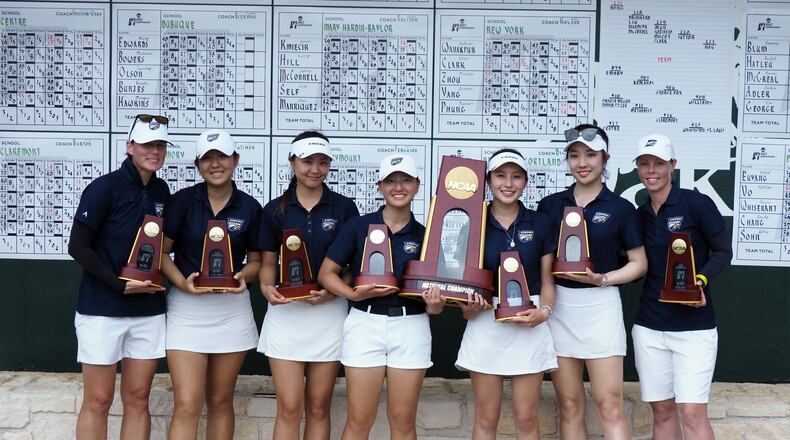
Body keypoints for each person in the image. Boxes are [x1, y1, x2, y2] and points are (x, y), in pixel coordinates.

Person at [317, 154, 444, 440]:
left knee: (402, 421)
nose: (398, 187)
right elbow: (327, 273)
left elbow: (435, 304)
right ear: (380, 186)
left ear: (417, 185)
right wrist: (353, 294)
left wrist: (435, 305)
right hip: (365, 323)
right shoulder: (358, 227)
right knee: (359, 420)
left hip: (411, 326)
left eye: (405, 180)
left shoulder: (427, 236)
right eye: (390, 181)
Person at [537, 124, 647, 440]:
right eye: (574, 156)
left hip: (601, 306)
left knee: (609, 404)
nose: (582, 163)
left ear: (605, 158)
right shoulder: (550, 205)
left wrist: (602, 279)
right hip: (559, 308)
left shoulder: (621, 208)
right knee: (569, 405)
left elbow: (639, 264)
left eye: (590, 155)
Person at [69, 114, 172, 440]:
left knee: (138, 399)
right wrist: (117, 284)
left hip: (148, 311)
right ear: (130, 146)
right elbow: (78, 247)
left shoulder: (162, 190)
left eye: (160, 145)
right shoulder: (103, 188)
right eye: (146, 144)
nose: (154, 151)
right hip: (101, 308)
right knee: (98, 399)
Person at [160, 129, 262, 440]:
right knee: (188, 403)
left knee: (220, 400)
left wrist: (241, 277)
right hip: (186, 310)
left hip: (231, 311)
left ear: (235, 159)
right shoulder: (181, 202)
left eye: (222, 156)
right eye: (207, 158)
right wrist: (182, 282)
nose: (215, 164)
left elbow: (257, 262)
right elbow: (161, 254)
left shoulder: (250, 207)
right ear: (198, 164)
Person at [257, 131, 359, 439]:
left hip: (329, 314)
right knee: (289, 407)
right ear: (292, 162)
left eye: (322, 162)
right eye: (307, 162)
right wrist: (265, 288)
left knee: (318, 406)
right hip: (286, 315)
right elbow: (266, 264)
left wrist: (331, 292)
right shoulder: (275, 209)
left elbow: (354, 268)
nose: (315, 169)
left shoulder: (344, 208)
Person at [632, 134, 731, 440]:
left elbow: (723, 252)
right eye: (644, 164)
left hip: (695, 329)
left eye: (659, 163)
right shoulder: (639, 213)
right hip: (649, 327)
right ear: (637, 168)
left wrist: (699, 281)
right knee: (662, 412)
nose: (651, 170)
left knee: (691, 413)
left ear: (672, 165)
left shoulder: (696, 203)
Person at [455, 149, 557, 440]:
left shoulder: (541, 223)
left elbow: (548, 279)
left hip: (530, 321)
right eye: (500, 176)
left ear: (525, 181)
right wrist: (468, 309)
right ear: (489, 180)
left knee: (526, 418)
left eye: (516, 176)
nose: (508, 183)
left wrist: (544, 312)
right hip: (485, 324)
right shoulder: (473, 222)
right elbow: (465, 286)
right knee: (487, 418)